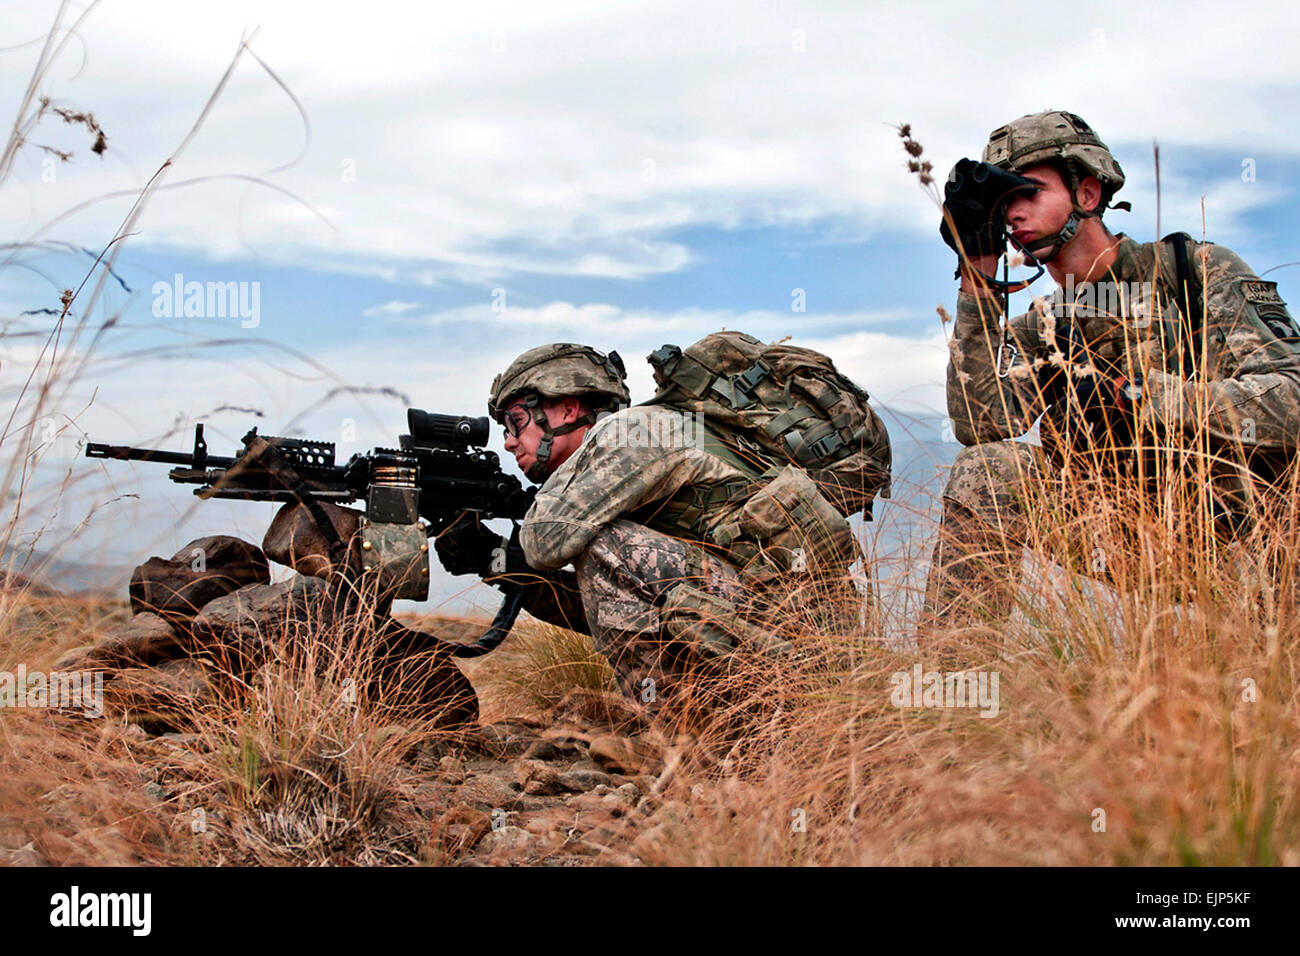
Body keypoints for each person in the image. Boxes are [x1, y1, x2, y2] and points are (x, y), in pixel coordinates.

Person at [924, 110, 1300, 629]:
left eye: (1028, 193)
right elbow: (979, 425)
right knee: (988, 469)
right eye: (1002, 203)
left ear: (1087, 193)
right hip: (1131, 535)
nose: (1013, 214)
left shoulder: (1193, 271)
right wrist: (977, 272)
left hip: (1250, 533)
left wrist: (1144, 398)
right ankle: (950, 693)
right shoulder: (1049, 325)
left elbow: (1293, 398)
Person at [436, 342, 867, 717]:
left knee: (607, 547)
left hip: (804, 659)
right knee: (609, 554)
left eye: (516, 421)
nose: (509, 441)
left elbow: (545, 543)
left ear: (567, 408)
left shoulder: (629, 433)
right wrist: (498, 565)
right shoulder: (645, 446)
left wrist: (515, 545)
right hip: (805, 646)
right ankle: (721, 735)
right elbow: (609, 608)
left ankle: (704, 748)